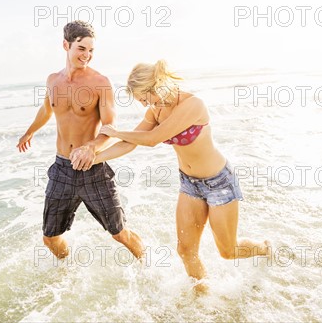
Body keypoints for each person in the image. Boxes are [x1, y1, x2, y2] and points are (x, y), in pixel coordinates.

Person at [77, 59, 270, 287]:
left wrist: (117, 132)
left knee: (228, 251)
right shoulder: (156, 110)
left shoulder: (193, 104)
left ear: (154, 86)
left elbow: (152, 139)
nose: (144, 105)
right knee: (186, 250)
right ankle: (202, 295)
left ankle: (265, 248)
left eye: (144, 98)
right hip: (190, 184)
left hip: (220, 183)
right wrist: (93, 159)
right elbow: (131, 143)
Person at [16, 20, 144, 261]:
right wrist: (29, 132)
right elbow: (47, 109)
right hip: (62, 168)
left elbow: (109, 127)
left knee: (119, 233)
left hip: (92, 168)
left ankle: (147, 263)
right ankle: (67, 271)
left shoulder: (100, 83)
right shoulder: (53, 80)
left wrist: (91, 147)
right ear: (66, 45)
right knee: (50, 237)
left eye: (91, 50)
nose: (87, 55)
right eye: (81, 48)